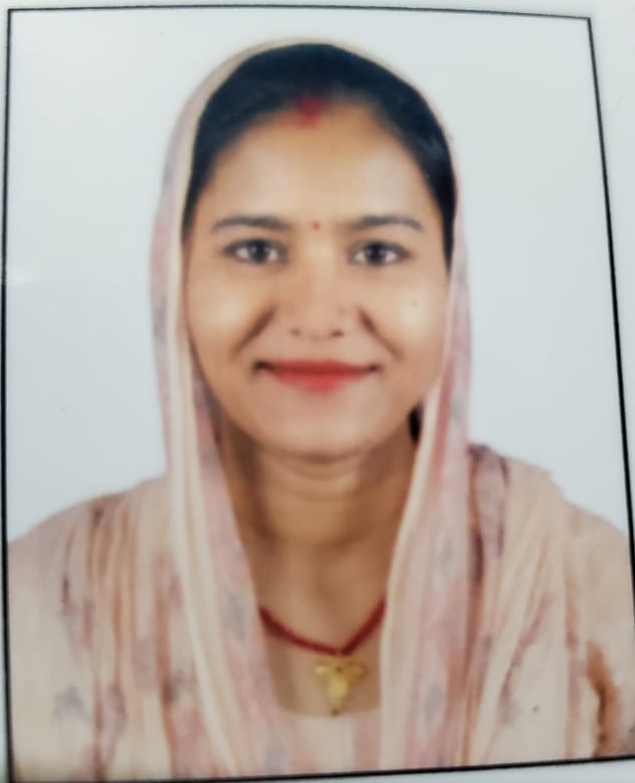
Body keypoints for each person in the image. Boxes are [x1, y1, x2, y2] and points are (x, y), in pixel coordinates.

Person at [8, 40, 635, 781]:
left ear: (451, 280)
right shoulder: (43, 601)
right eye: (254, 249)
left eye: (376, 252)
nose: (317, 315)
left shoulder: (589, 589)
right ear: (172, 275)